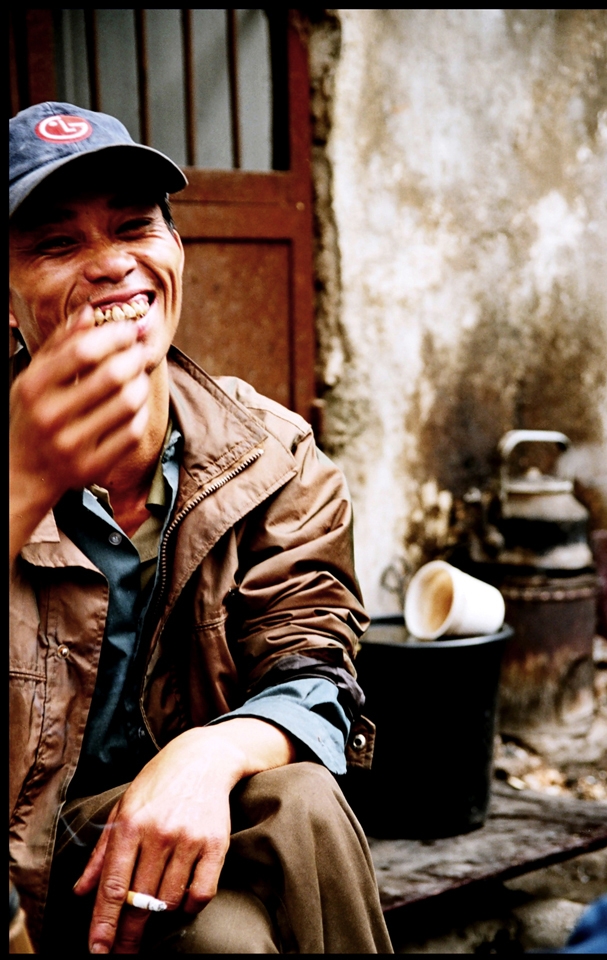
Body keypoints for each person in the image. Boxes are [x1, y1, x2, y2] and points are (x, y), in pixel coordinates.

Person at [9, 102, 393, 955]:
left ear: (176, 254)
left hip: (195, 838)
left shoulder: (270, 456)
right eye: (57, 244)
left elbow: (315, 666)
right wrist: (20, 485)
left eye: (135, 229)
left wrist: (202, 758)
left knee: (271, 857)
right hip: (27, 866)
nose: (113, 267)